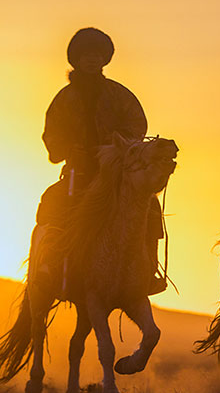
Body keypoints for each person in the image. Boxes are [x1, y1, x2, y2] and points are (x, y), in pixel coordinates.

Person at [35, 27, 166, 295]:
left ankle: (149, 269)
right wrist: (70, 149)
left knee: (150, 206)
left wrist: (116, 148)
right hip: (79, 174)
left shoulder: (119, 95)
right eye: (87, 54)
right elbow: (52, 134)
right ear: (77, 59)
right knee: (53, 202)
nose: (92, 59)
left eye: (97, 54)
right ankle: (48, 265)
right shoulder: (64, 99)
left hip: (115, 173)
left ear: (104, 59)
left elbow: (137, 125)